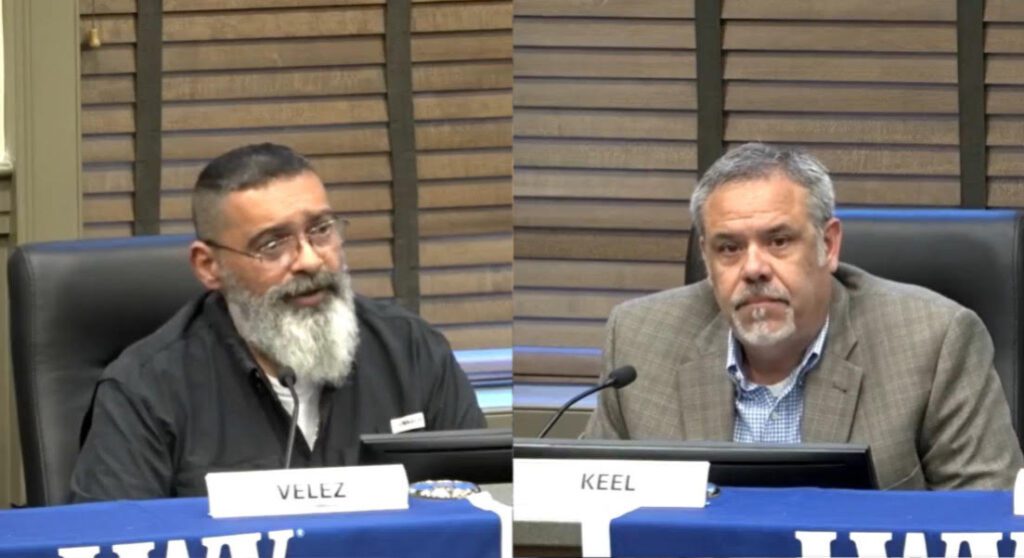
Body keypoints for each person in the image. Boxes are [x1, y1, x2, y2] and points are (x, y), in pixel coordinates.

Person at [583, 142, 1024, 489]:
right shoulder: (640, 341)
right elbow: (580, 508)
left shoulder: (933, 343)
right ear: (706, 258)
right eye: (729, 248)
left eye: (778, 241)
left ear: (827, 246)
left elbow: (990, 522)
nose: (753, 268)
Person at [71, 143, 486, 501]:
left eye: (321, 230)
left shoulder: (411, 351)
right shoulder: (146, 390)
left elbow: (480, 512)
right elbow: (114, 541)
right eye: (272, 244)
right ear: (209, 266)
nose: (310, 259)